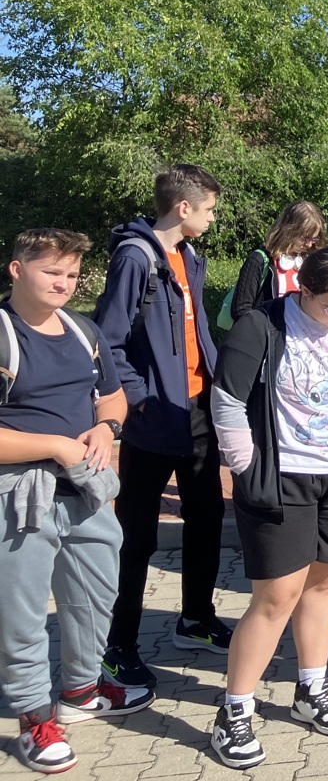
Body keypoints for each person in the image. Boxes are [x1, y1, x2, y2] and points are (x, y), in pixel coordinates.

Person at [209, 247, 328, 769]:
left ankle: (311, 689)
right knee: (277, 596)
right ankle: (234, 710)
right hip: (281, 478)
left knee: (322, 584)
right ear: (304, 292)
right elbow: (227, 399)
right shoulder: (262, 326)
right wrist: (246, 466)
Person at [0, 230, 151, 775]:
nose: (63, 283)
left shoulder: (82, 329)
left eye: (71, 274)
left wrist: (106, 429)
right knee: (20, 615)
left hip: (87, 489)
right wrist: (55, 446)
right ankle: (34, 719)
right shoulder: (3, 334)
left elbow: (112, 397)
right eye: (51, 272)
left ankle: (82, 692)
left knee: (95, 595)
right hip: (20, 497)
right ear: (17, 269)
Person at [93, 164, 229, 689]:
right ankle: (118, 645)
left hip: (196, 413)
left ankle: (195, 619)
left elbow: (197, 332)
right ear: (184, 207)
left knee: (207, 519)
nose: (213, 217)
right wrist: (141, 399)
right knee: (137, 537)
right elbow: (108, 341)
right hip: (153, 419)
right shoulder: (135, 257)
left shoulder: (189, 255)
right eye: (210, 208)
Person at [228, 201, 327, 321]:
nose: (309, 244)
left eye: (314, 239)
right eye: (305, 238)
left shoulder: (308, 262)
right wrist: (265, 328)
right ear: (289, 230)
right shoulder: (259, 260)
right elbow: (240, 310)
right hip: (264, 331)